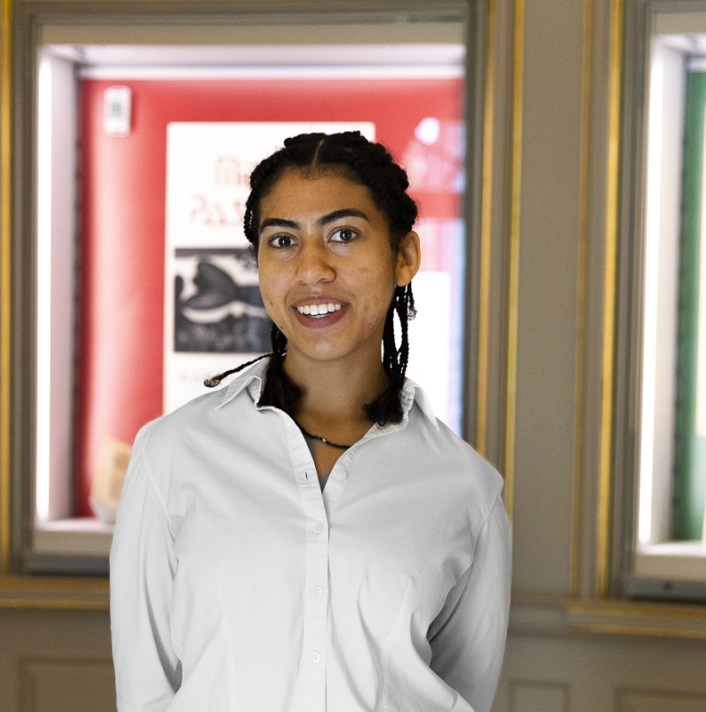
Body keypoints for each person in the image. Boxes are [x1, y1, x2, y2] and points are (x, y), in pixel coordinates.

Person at [110, 131, 510, 712]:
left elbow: (463, 690)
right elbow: (146, 692)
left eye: (343, 235)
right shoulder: (171, 455)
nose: (312, 269)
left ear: (405, 257)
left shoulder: (467, 490)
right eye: (282, 241)